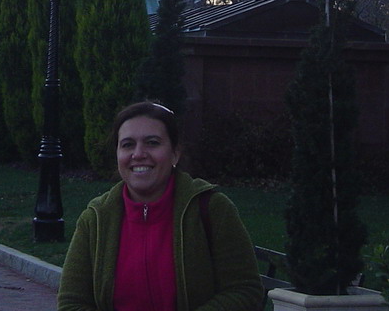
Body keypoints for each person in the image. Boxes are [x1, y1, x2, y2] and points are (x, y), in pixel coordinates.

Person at [58, 101, 264, 311]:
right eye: (128, 144)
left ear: (175, 153)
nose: (138, 154)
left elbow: (245, 290)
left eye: (152, 142)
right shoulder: (95, 219)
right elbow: (71, 303)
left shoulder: (213, 209)